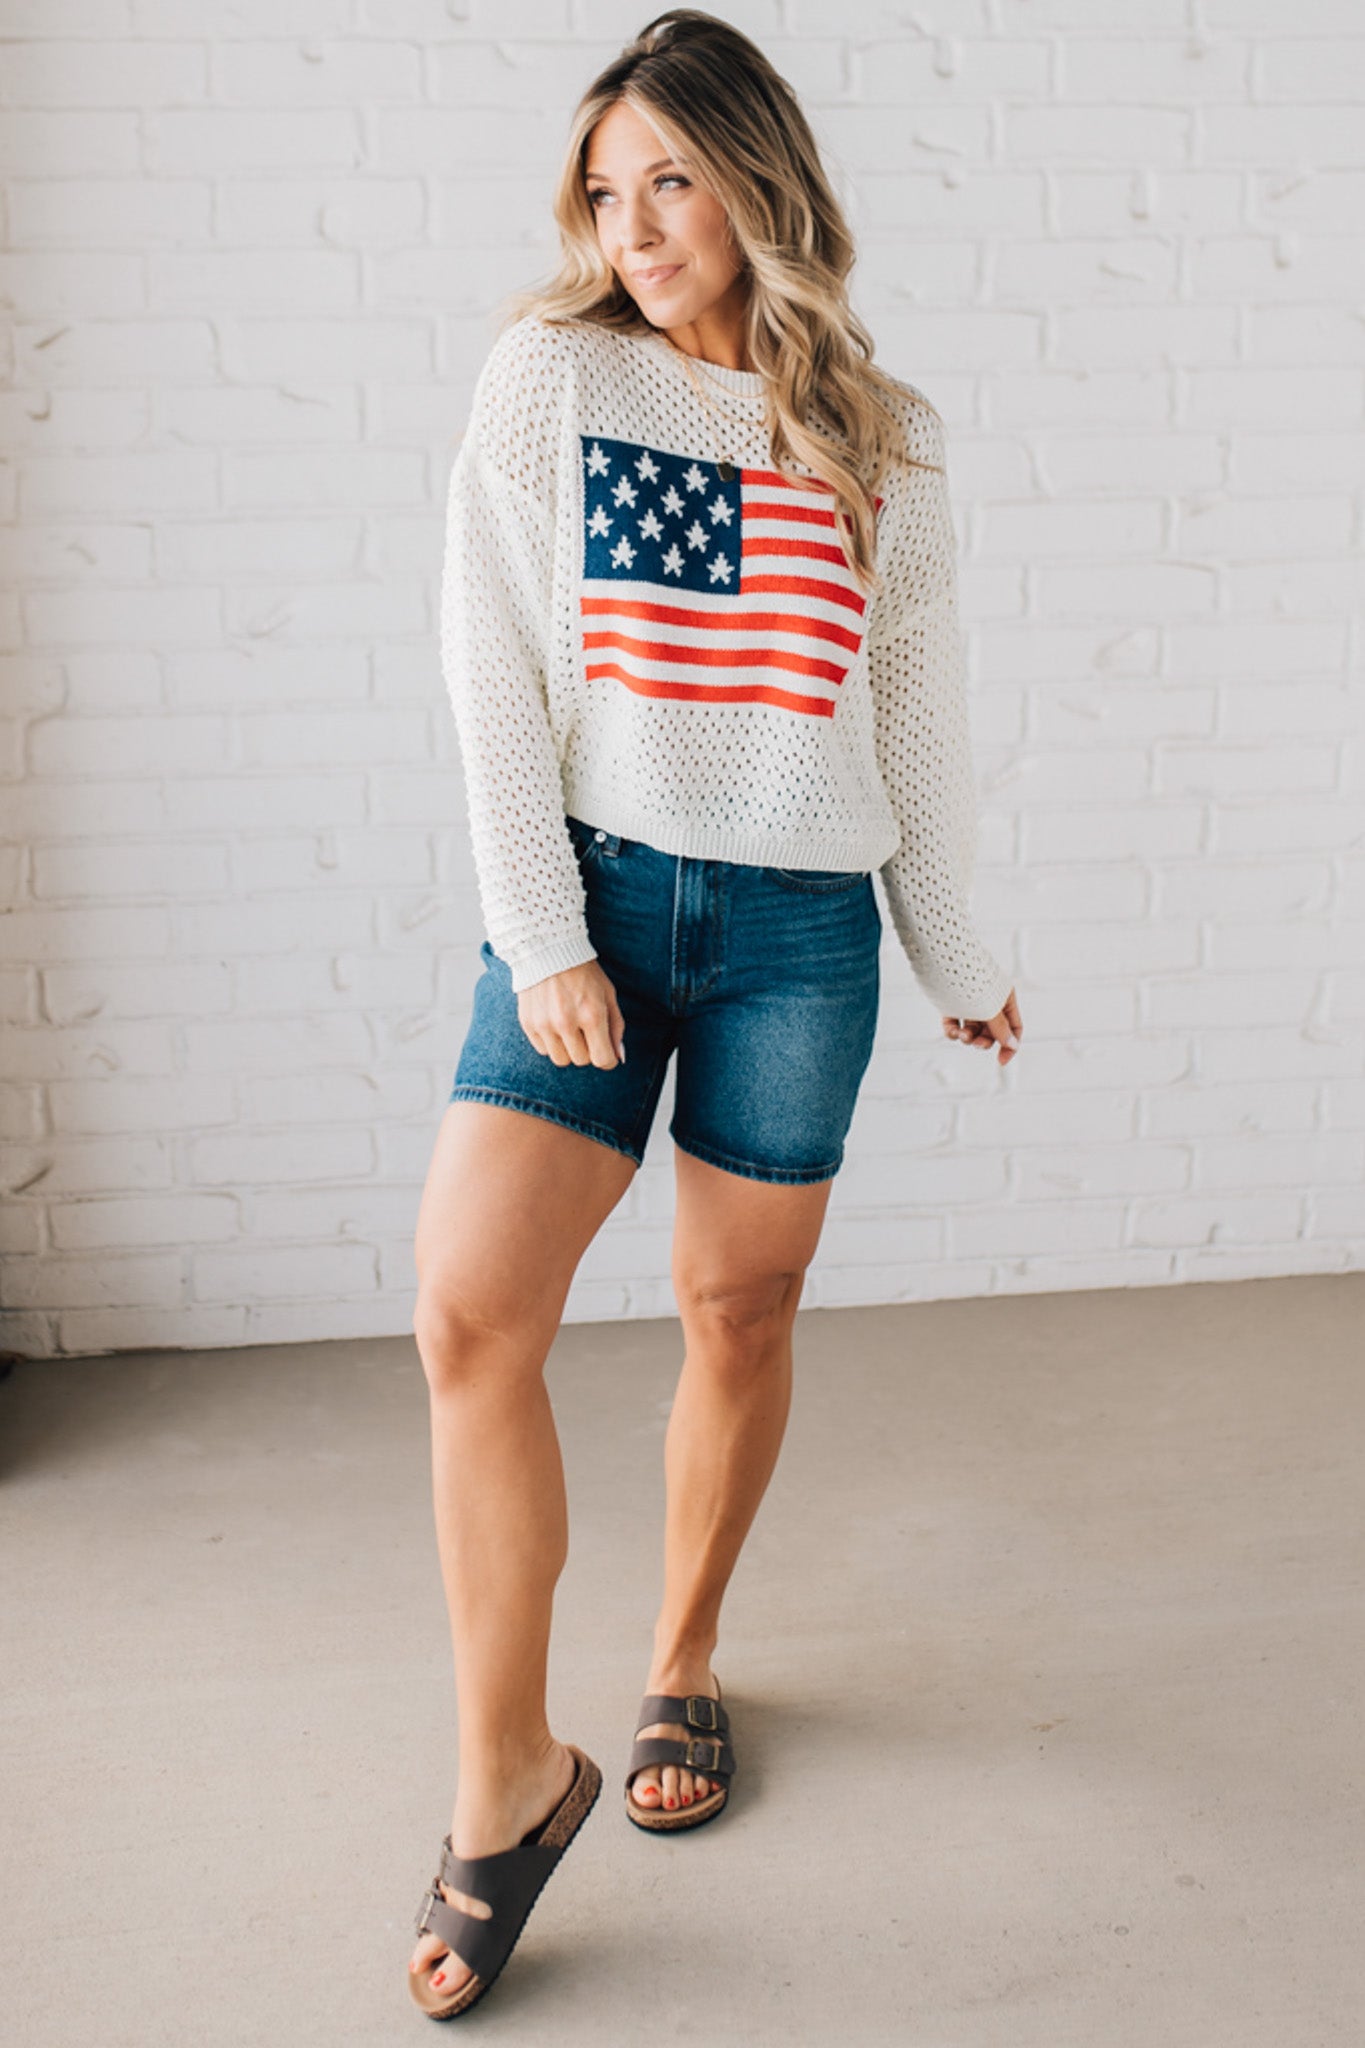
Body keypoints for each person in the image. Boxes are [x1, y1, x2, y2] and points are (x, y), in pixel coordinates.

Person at [406, 8, 1023, 2021]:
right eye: (605, 185)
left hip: (795, 931)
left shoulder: (876, 435)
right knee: (468, 1314)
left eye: (668, 176)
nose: (634, 219)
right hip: (585, 898)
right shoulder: (548, 380)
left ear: (758, 177)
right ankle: (509, 1777)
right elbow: (489, 664)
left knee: (732, 1312)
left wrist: (962, 957)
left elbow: (912, 725)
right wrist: (541, 931)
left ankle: (678, 1661)